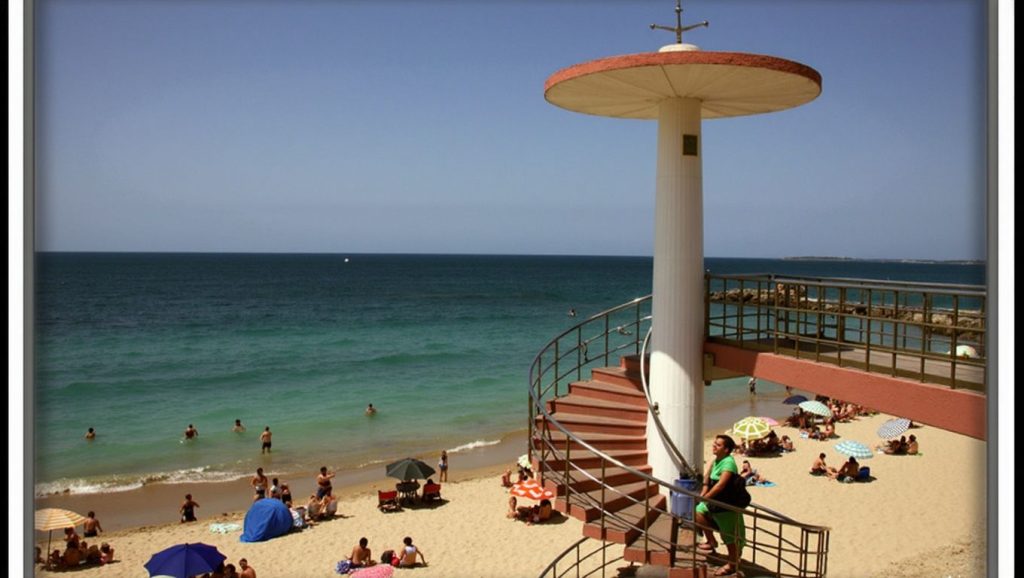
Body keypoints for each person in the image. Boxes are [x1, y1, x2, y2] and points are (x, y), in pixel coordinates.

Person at [694, 435, 745, 577]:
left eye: (718, 445)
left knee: (728, 536)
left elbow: (721, 484)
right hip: (714, 503)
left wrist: (706, 498)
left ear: (726, 449)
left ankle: (732, 564)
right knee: (698, 511)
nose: (714, 446)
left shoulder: (728, 462)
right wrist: (703, 496)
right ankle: (711, 541)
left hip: (725, 504)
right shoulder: (716, 460)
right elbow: (707, 481)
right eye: (714, 443)